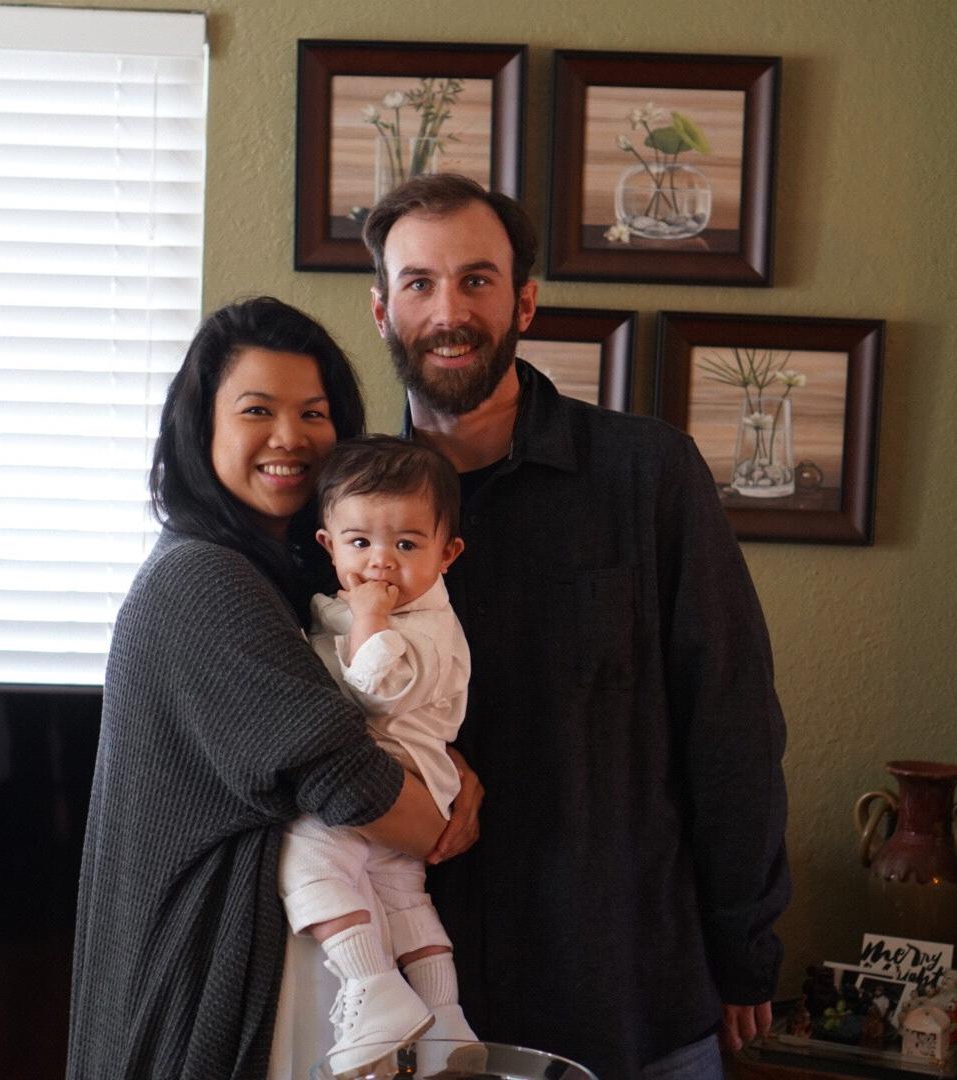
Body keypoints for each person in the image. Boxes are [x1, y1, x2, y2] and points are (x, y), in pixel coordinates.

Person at [361, 175, 791, 1080]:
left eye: (477, 281)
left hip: (629, 993)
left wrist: (744, 942)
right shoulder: (343, 508)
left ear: (524, 300)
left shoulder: (648, 473)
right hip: (402, 1001)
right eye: (420, 284)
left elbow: (733, 723)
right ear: (381, 309)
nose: (450, 311)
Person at [65, 297, 481, 1080]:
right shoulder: (202, 580)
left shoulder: (288, 580)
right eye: (258, 410)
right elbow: (347, 779)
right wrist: (441, 814)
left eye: (314, 413)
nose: (291, 438)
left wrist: (449, 771)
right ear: (203, 428)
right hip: (206, 974)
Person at [278, 434, 478, 1074]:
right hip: (414, 792)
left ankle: (374, 989)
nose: (381, 563)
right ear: (328, 545)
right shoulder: (369, 608)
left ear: (447, 554)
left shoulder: (422, 625)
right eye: (360, 542)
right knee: (401, 898)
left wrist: (368, 618)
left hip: (393, 784)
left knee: (303, 859)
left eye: (407, 545)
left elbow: (380, 690)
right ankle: (445, 1020)